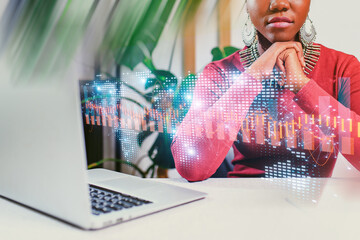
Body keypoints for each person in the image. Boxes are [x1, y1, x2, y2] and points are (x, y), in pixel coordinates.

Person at [170, 0, 360, 181]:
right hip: (238, 203)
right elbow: (190, 166)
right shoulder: (220, 73)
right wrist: (254, 75)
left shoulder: (341, 67)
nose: (279, 4)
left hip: (317, 208)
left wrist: (301, 84)